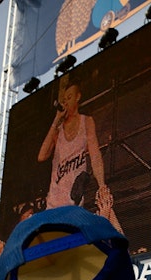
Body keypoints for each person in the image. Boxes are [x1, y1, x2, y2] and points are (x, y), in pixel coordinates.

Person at [37, 81, 123, 233]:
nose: (66, 102)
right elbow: (42, 156)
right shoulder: (58, 130)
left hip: (74, 205)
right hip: (53, 205)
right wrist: (56, 120)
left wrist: (101, 185)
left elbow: (95, 155)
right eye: (64, 99)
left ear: (78, 97)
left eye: (69, 97)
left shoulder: (86, 121)